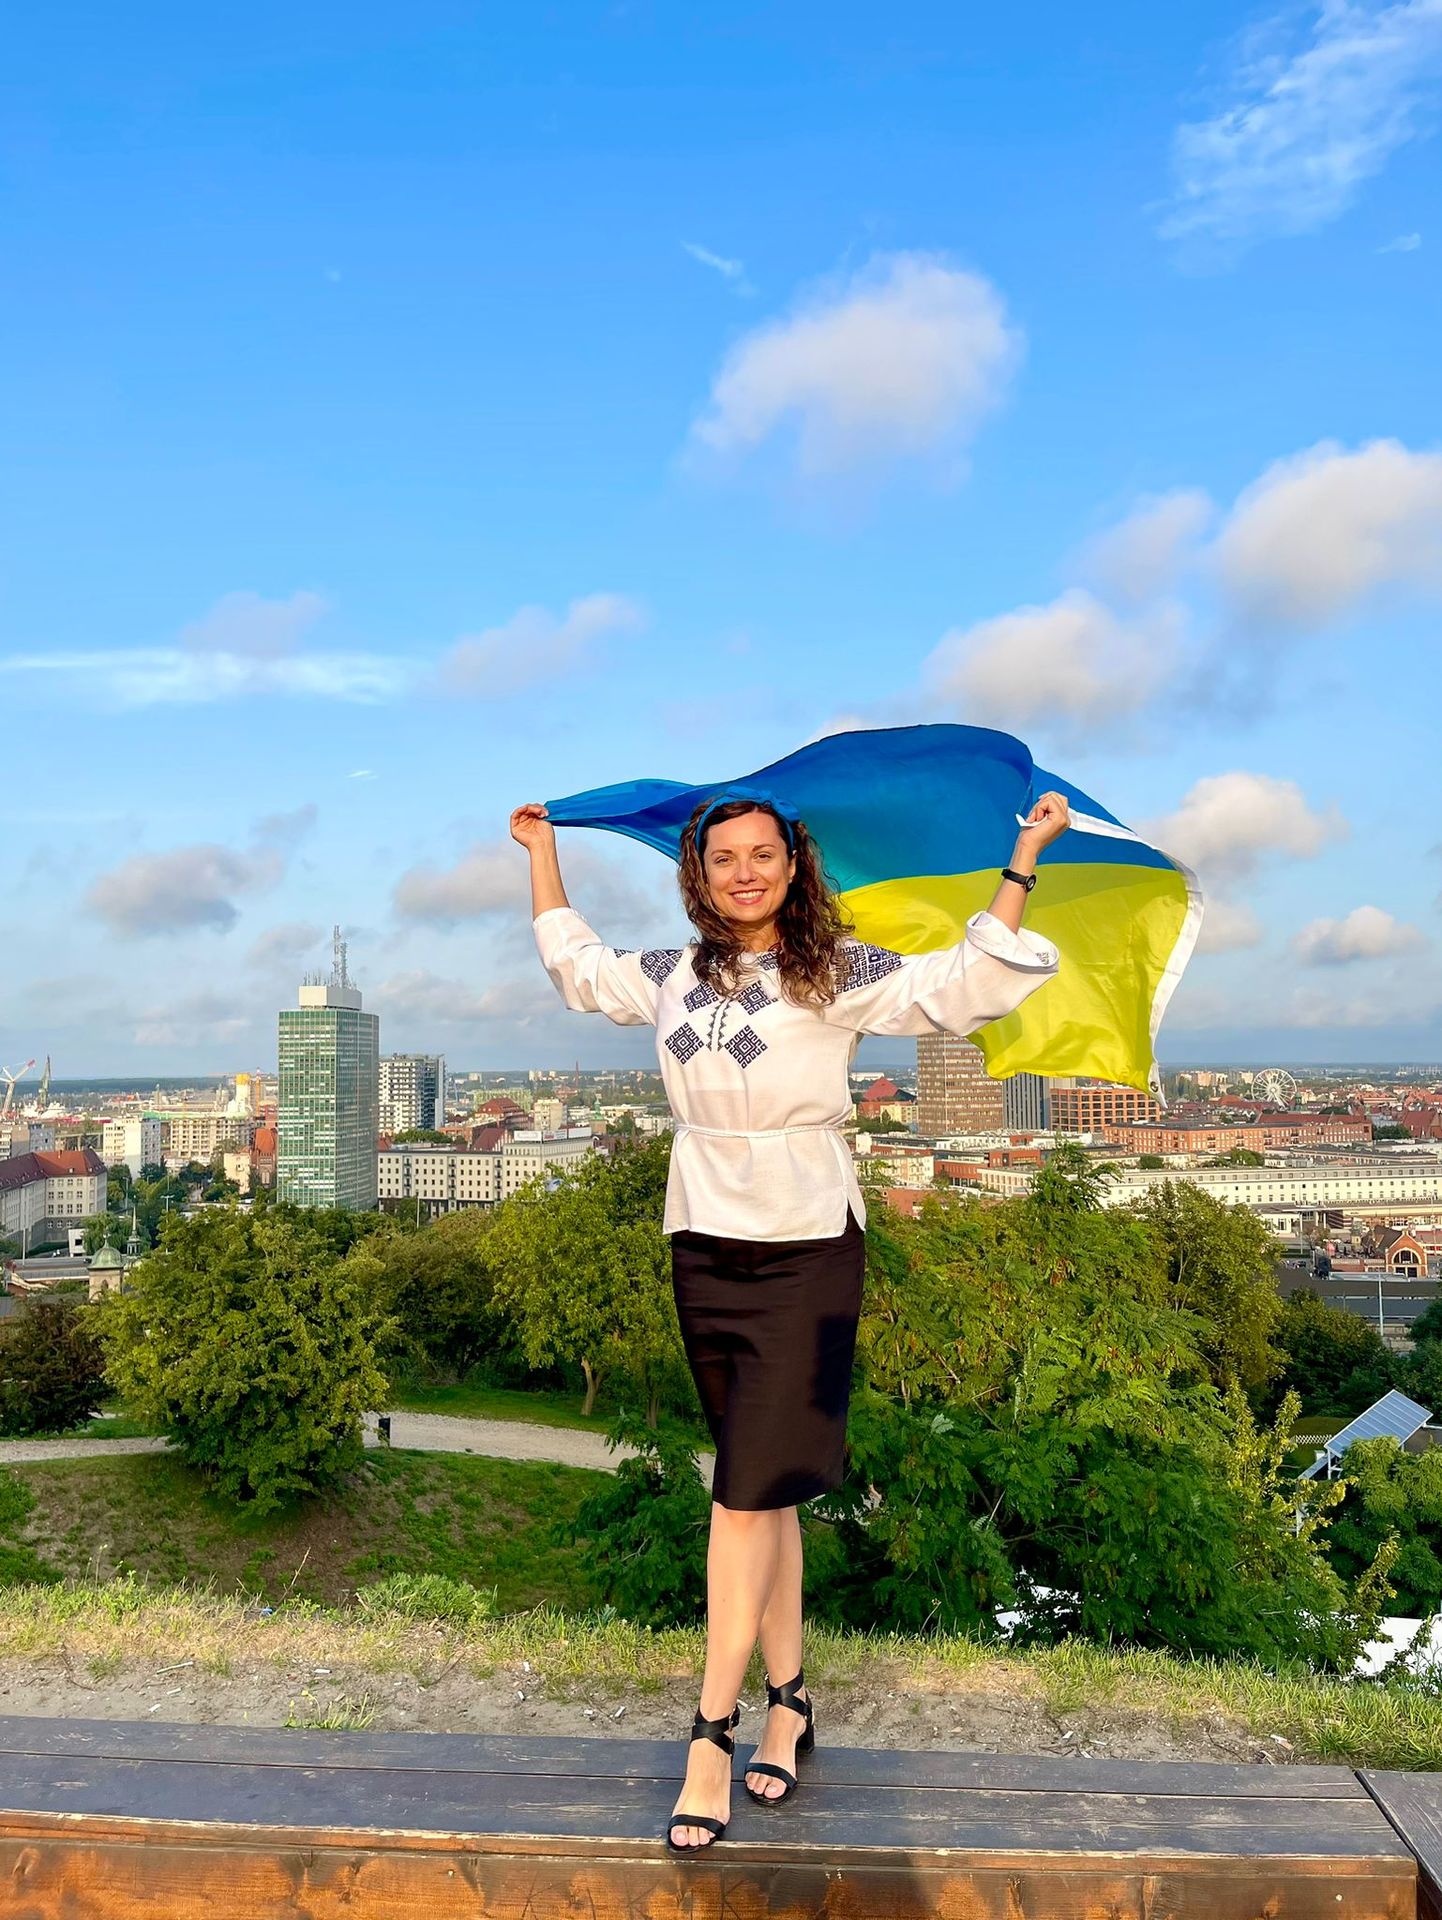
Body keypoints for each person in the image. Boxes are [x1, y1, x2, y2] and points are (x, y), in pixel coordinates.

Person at [510, 788, 1068, 1851]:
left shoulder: (834, 969)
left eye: (762, 854)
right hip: (703, 1240)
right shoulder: (672, 973)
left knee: (739, 1493)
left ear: (792, 865)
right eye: (723, 858)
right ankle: (791, 1703)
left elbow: (959, 986)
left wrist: (1022, 859)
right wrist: (540, 852)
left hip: (806, 1245)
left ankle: (708, 1735)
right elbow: (575, 963)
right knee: (761, 1492)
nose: (744, 873)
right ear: (698, 874)